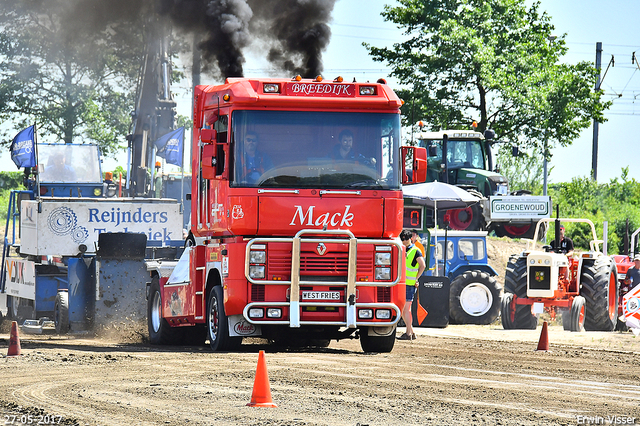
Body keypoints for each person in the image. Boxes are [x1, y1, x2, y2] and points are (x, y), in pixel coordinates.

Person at [399, 229, 426, 341]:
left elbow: (422, 265)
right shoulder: (403, 249)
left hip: (409, 284)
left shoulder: (415, 250)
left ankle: (409, 332)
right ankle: (411, 332)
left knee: (405, 310)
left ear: (410, 238)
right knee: (404, 310)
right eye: (403, 239)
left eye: (406, 239)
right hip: (403, 283)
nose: (404, 241)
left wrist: (416, 278)